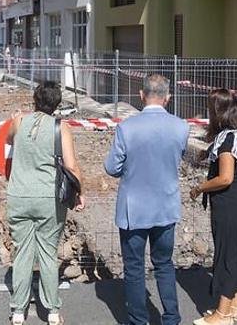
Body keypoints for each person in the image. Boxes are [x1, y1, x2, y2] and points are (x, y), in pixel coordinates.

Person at [105, 74, 189, 325]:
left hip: (134, 209)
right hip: (165, 205)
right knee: (164, 263)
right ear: (168, 97)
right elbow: (178, 157)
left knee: (134, 267)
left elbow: (112, 167)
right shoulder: (181, 126)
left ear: (141, 95)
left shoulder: (126, 128)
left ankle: (138, 320)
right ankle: (171, 317)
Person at [5, 81, 85, 325]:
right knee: (48, 254)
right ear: (57, 104)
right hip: (48, 200)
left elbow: (9, 139)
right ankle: (51, 311)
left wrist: (16, 118)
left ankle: (18, 311)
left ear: (34, 100)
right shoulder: (62, 128)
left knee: (22, 254)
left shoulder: (19, 122)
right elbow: (71, 166)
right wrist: (80, 192)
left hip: (19, 196)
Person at [190, 89, 237, 325]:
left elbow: (225, 177)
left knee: (226, 255)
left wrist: (201, 188)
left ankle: (222, 314)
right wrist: (206, 152)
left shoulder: (227, 140)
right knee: (236, 252)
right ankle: (236, 305)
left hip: (228, 200)